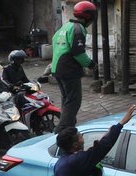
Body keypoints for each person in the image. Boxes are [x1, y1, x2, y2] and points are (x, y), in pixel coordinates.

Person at [51, 1, 97, 134]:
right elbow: (78, 52)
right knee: (74, 101)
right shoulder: (78, 29)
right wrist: (90, 64)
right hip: (69, 69)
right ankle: (62, 131)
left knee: (66, 100)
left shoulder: (65, 27)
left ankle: (68, 127)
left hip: (58, 69)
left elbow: (55, 44)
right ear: (88, 16)